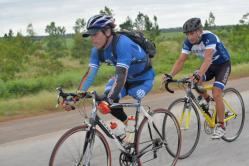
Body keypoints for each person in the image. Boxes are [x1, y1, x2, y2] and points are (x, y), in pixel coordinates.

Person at [65, 14, 155, 142]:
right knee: (105, 101)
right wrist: (75, 97)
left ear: (107, 31)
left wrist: (110, 99)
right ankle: (127, 124)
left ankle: (136, 126)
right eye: (90, 35)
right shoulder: (97, 50)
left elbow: (121, 75)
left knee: (133, 95)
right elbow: (90, 75)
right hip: (124, 79)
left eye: (95, 34)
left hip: (143, 79)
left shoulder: (123, 43)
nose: (92, 39)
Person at [163, 18, 231, 139]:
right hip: (209, 66)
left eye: (192, 33)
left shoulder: (209, 37)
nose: (190, 37)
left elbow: (208, 59)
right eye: (187, 34)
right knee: (194, 81)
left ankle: (221, 126)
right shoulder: (188, 43)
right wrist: (170, 75)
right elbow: (181, 60)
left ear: (199, 31)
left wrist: (199, 74)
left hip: (222, 65)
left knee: (216, 92)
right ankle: (208, 101)